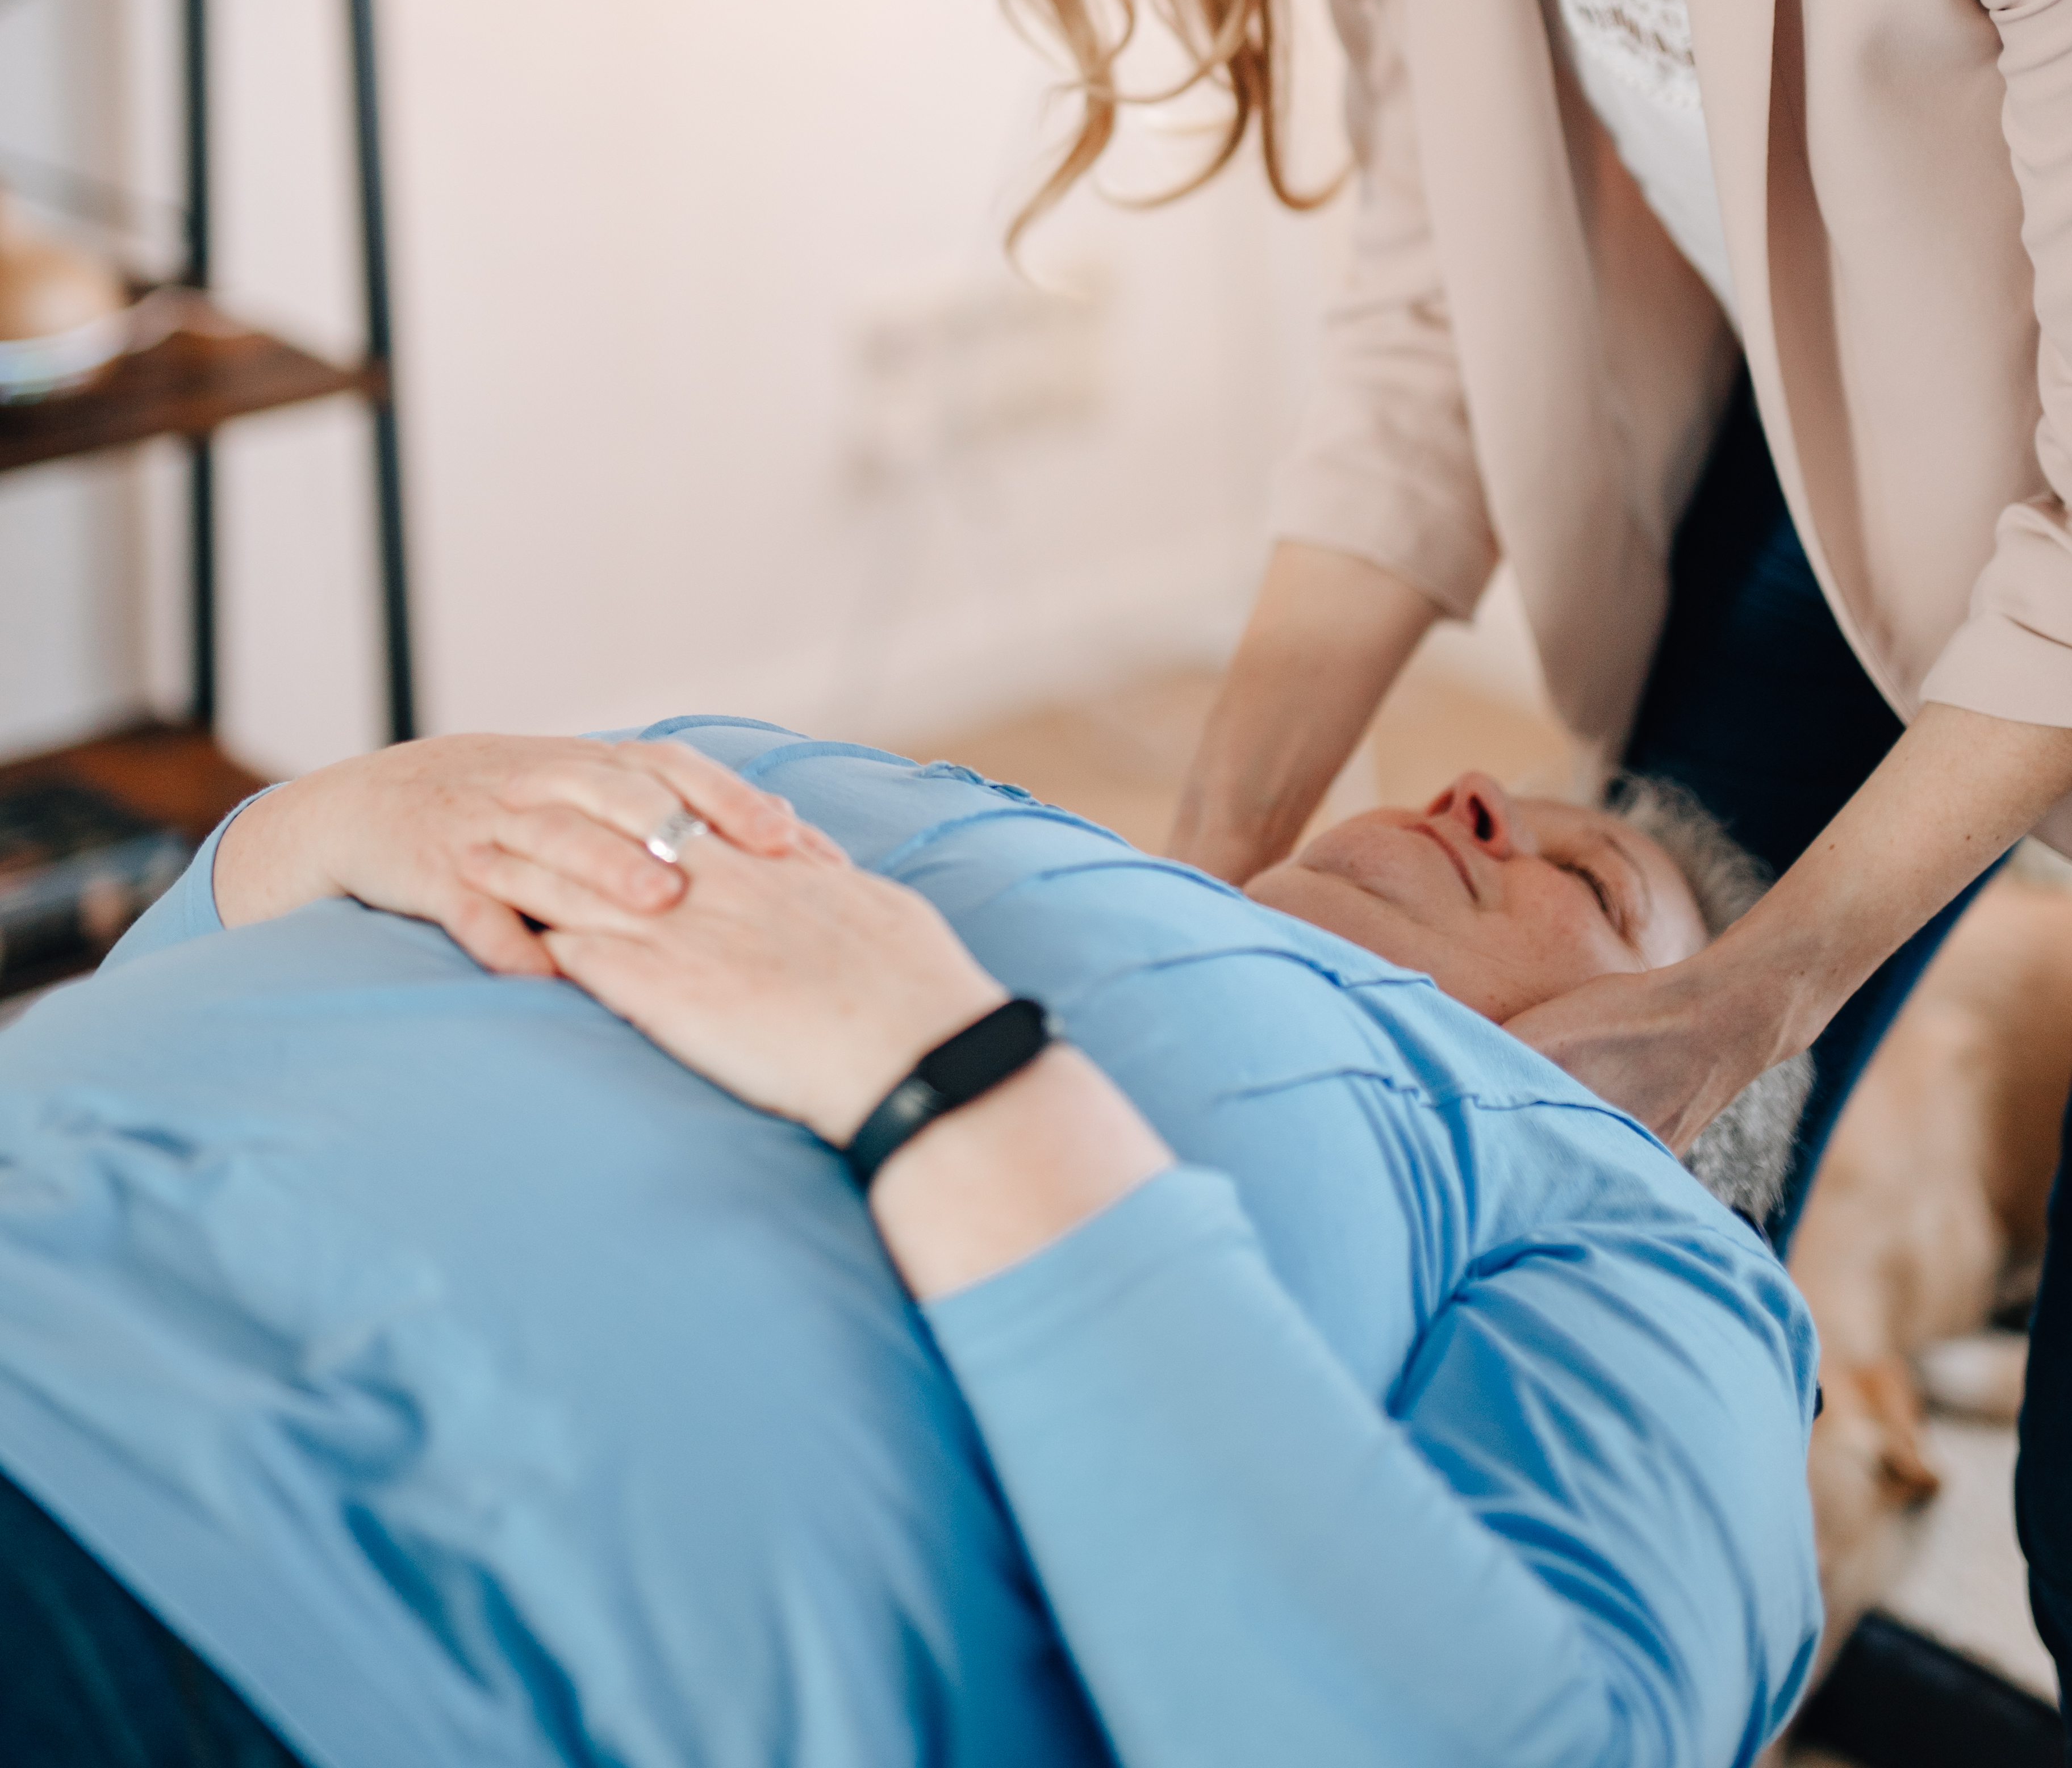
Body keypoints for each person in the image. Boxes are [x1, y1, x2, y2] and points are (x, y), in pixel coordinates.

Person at [901, 0, 2072, 1702]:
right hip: (1875, 503)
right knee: (1612, 1154)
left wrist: (1782, 975)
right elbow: (1431, 342)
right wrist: (1172, 894)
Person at [0, 721, 1816, 1768]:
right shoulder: (910, 789)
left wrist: (946, 1083)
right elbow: (180, 970)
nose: (1476, 794)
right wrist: (329, 818)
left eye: (1592, 887)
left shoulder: (1637, 1229)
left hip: (290, 1637)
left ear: (1682, 1098)